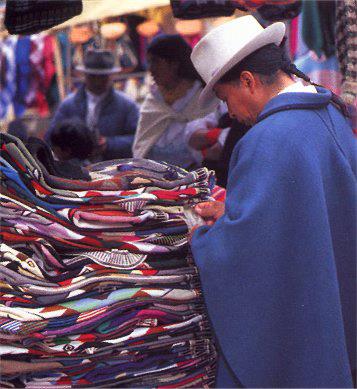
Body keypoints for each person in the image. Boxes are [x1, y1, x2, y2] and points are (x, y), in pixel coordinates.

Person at [188, 15, 356, 388]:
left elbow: (244, 250)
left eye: (225, 97)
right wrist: (238, 209)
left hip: (306, 323)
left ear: (247, 81)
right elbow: (306, 209)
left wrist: (198, 237)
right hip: (340, 308)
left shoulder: (266, 139)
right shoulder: (331, 116)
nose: (229, 111)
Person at [132, 34, 219, 170]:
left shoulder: (204, 98)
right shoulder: (153, 101)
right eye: (149, 62)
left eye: (156, 62)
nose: (151, 69)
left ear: (174, 64)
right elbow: (141, 148)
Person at [45, 49, 139, 162]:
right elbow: (50, 138)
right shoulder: (68, 105)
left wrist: (109, 144)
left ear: (111, 76)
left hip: (114, 170)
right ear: (85, 75)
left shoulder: (127, 105)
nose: (97, 82)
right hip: (75, 170)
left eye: (102, 77)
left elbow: (139, 139)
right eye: (93, 76)